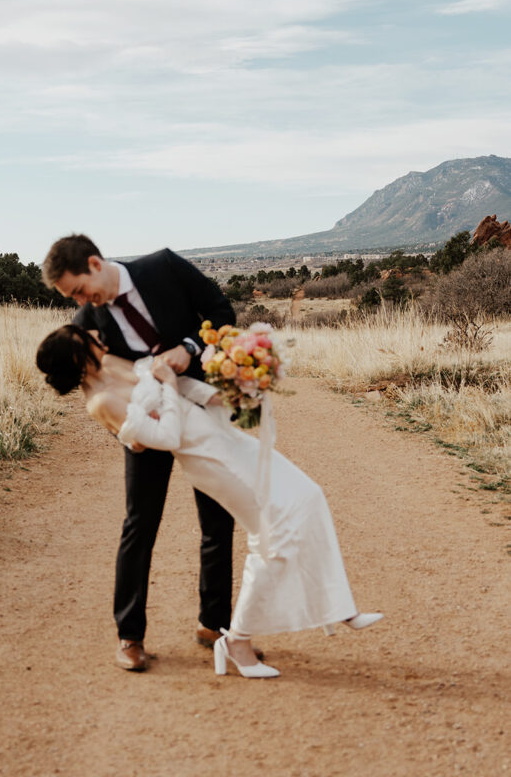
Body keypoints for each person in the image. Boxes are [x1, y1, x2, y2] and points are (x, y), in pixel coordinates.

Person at [36, 325, 384, 679]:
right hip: (208, 458)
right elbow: (165, 435)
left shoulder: (114, 363)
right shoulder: (100, 401)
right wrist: (168, 385)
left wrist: (224, 395)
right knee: (270, 535)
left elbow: (173, 382)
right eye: (87, 337)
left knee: (309, 495)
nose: (96, 333)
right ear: (78, 355)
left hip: (221, 435)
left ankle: (339, 605)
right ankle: (238, 640)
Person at [41, 235, 237, 672]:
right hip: (147, 426)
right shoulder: (86, 321)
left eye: (78, 289)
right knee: (140, 525)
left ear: (95, 263)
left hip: (203, 407)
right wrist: (128, 431)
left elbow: (221, 311)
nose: (80, 301)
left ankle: (215, 625)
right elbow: (95, 388)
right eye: (72, 297)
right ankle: (129, 636)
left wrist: (189, 349)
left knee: (218, 517)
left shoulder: (164, 267)